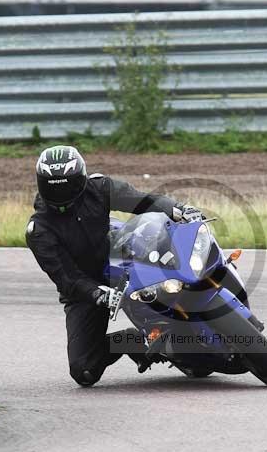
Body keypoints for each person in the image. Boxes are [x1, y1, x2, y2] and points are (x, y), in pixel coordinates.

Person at [25, 145, 202, 387]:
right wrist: (97, 294)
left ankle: (205, 305)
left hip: (121, 259)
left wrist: (178, 208)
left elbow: (141, 201)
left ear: (80, 178)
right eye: (54, 186)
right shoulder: (39, 230)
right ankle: (135, 340)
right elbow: (66, 278)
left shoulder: (99, 188)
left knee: (170, 256)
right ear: (42, 184)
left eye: (68, 184)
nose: (62, 193)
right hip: (86, 290)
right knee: (83, 370)